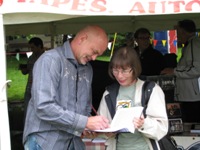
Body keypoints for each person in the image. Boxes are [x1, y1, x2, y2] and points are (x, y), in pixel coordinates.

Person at [23, 25, 110, 150]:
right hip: (45, 142)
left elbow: (85, 106)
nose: (94, 58)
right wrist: (84, 122)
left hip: (73, 143)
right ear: (82, 39)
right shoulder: (50, 60)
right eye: (94, 51)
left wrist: (87, 127)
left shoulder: (88, 69)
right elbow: (43, 106)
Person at [97, 46, 168, 150]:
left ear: (135, 68)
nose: (120, 76)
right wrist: (106, 131)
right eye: (115, 70)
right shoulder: (109, 93)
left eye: (125, 71)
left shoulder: (151, 90)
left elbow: (162, 127)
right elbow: (100, 125)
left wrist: (143, 123)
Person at [161, 19, 200, 123]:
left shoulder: (194, 44)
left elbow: (196, 69)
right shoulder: (190, 45)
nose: (177, 36)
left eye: (177, 32)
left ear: (183, 31)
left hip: (192, 97)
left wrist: (174, 71)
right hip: (189, 96)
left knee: (193, 125)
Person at [19, 37, 45, 119]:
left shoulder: (47, 57)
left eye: (33, 47)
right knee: (27, 112)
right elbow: (27, 71)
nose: (31, 49)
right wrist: (23, 69)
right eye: (30, 47)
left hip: (41, 90)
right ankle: (26, 130)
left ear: (39, 46)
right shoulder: (31, 57)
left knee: (40, 113)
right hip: (29, 88)